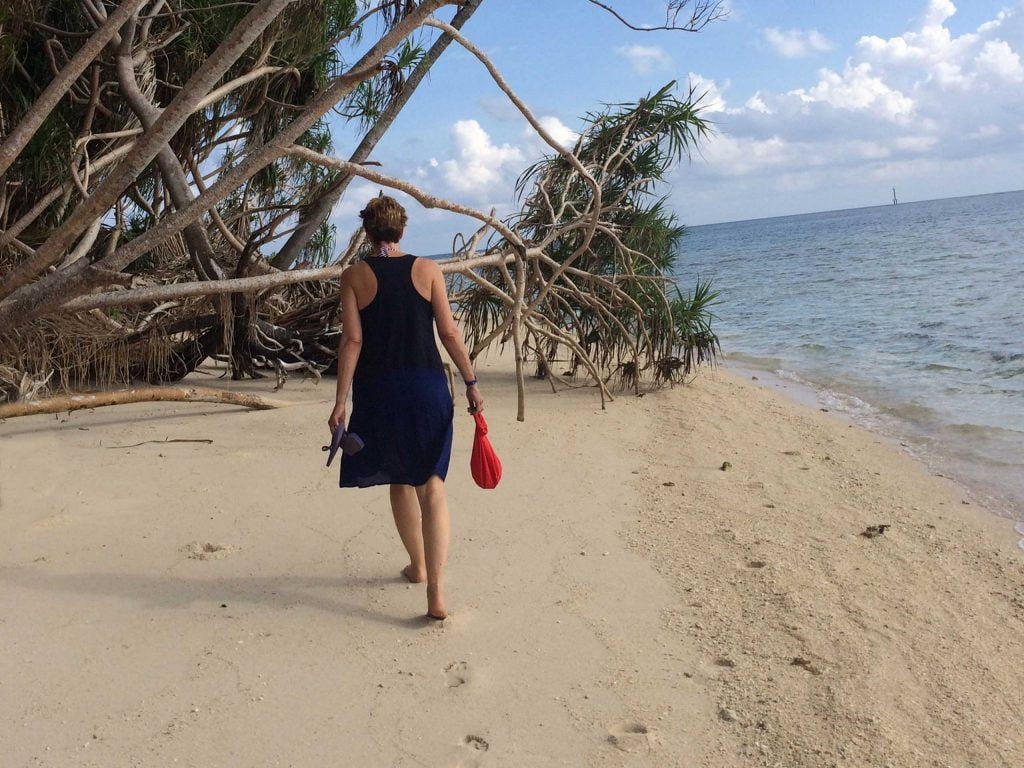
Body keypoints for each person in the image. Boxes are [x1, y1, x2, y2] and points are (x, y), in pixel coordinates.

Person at [328, 195, 484, 620]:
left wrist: (340, 401)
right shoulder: (428, 269)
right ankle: (436, 592)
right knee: (431, 483)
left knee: (399, 477)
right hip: (425, 387)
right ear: (402, 230)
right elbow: (449, 332)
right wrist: (470, 381)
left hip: (379, 392)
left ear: (368, 230)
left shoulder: (354, 276)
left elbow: (353, 341)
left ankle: (416, 566)